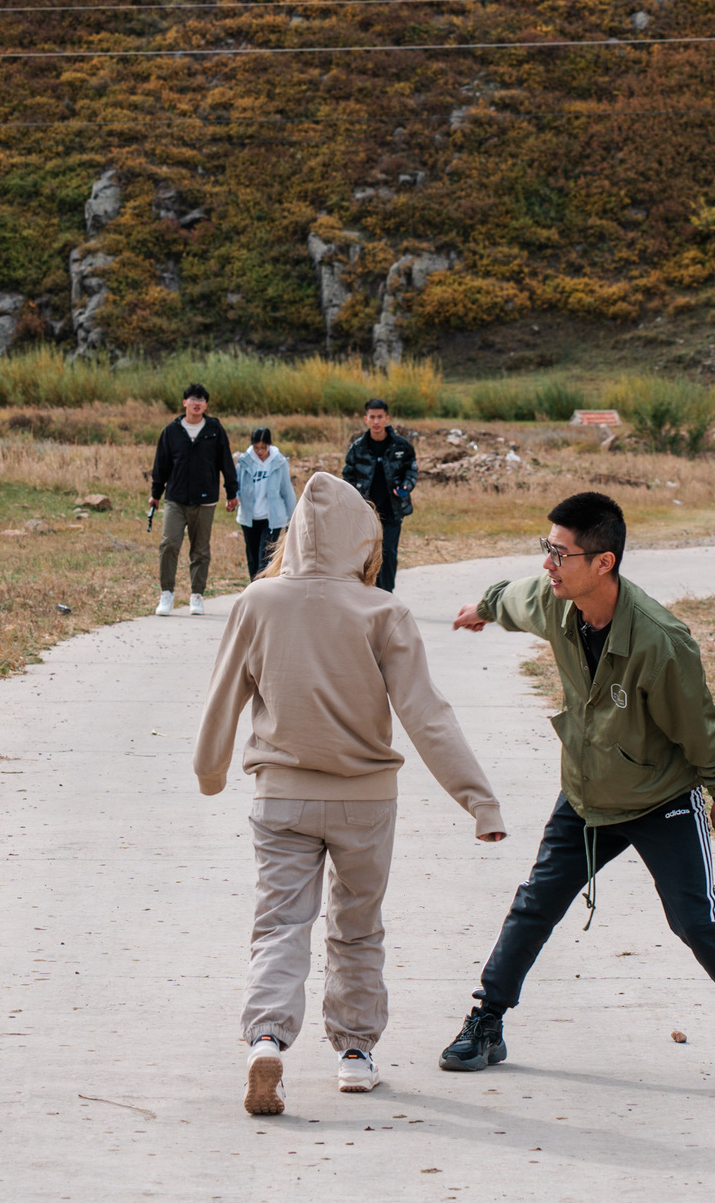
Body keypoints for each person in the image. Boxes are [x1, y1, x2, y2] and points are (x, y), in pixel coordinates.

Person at [440, 491, 715, 1088]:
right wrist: (481, 607)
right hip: (586, 796)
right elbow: (511, 597)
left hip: (660, 798)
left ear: (602, 563)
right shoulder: (555, 601)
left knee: (695, 919)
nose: (548, 564)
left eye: (560, 553)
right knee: (536, 904)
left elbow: (699, 723)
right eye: (546, 549)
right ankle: (487, 1022)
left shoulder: (661, 640)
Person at [197, 473, 507, 1116]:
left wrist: (210, 769)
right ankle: (355, 1055)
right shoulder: (383, 610)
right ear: (360, 541)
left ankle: (266, 1040)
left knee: (280, 926)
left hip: (280, 798)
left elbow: (223, 694)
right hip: (366, 804)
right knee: (357, 929)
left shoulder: (258, 602)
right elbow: (428, 715)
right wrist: (479, 801)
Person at [149, 383, 240, 616]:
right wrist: (155, 494)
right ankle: (166, 594)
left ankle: (197, 595)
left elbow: (225, 463)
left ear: (206, 405)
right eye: (192, 399)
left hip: (205, 499)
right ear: (184, 403)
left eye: (201, 399)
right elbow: (161, 465)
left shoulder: (214, 429)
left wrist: (232, 492)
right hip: (175, 498)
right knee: (169, 544)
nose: (197, 403)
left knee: (200, 550)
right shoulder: (172, 431)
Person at [340, 398, 417, 591]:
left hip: (392, 510)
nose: (376, 421)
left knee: (388, 553)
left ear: (387, 418)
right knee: (365, 555)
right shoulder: (358, 448)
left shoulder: (402, 446)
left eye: (380, 417)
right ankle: (367, 593)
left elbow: (411, 470)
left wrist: (406, 486)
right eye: (372, 417)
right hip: (365, 512)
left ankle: (386, 594)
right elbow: (347, 476)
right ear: (366, 419)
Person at [233, 426, 296, 580]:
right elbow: (236, 485)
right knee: (253, 557)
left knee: (265, 559)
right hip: (249, 517)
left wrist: (292, 517)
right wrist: (232, 499)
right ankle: (253, 589)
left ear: (269, 445)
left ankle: (261, 592)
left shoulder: (279, 462)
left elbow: (287, 491)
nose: (260, 451)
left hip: (271, 518)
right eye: (256, 447)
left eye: (263, 447)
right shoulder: (244, 462)